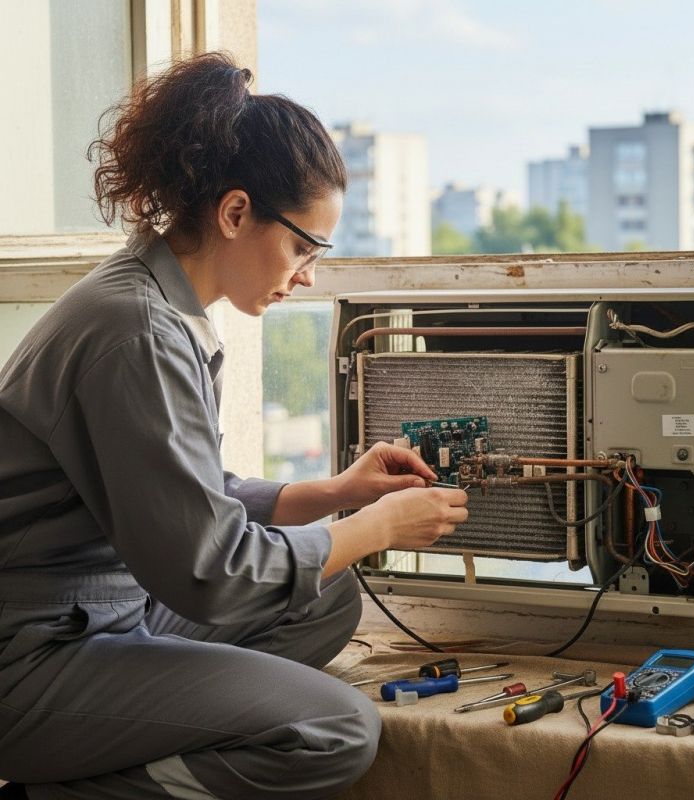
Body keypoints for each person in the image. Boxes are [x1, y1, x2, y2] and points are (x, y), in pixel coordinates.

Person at [0, 52, 469, 800]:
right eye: (303, 246)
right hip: (31, 654)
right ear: (235, 212)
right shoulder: (138, 333)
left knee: (328, 594)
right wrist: (376, 526)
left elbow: (192, 496)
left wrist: (334, 493)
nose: (308, 273)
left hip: (112, 608)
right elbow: (210, 572)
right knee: (338, 730)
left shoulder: (158, 304)